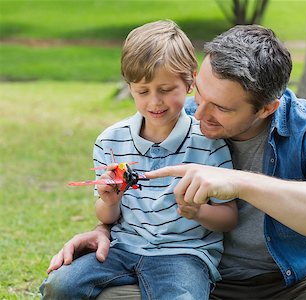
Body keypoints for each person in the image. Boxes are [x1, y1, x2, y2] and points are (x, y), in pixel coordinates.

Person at [46, 24, 306, 299]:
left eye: (221, 108)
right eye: (199, 93)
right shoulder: (176, 115)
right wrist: (105, 231)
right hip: (195, 281)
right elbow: (138, 197)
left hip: (292, 286)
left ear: (267, 107)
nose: (198, 112)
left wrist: (240, 183)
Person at [40, 20, 238, 300]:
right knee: (60, 285)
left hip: (183, 254)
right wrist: (110, 200)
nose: (154, 102)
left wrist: (198, 212)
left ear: (190, 82)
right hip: (121, 248)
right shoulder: (111, 140)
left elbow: (228, 217)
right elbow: (106, 216)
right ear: (129, 87)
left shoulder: (209, 143)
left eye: (166, 89)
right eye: (143, 91)